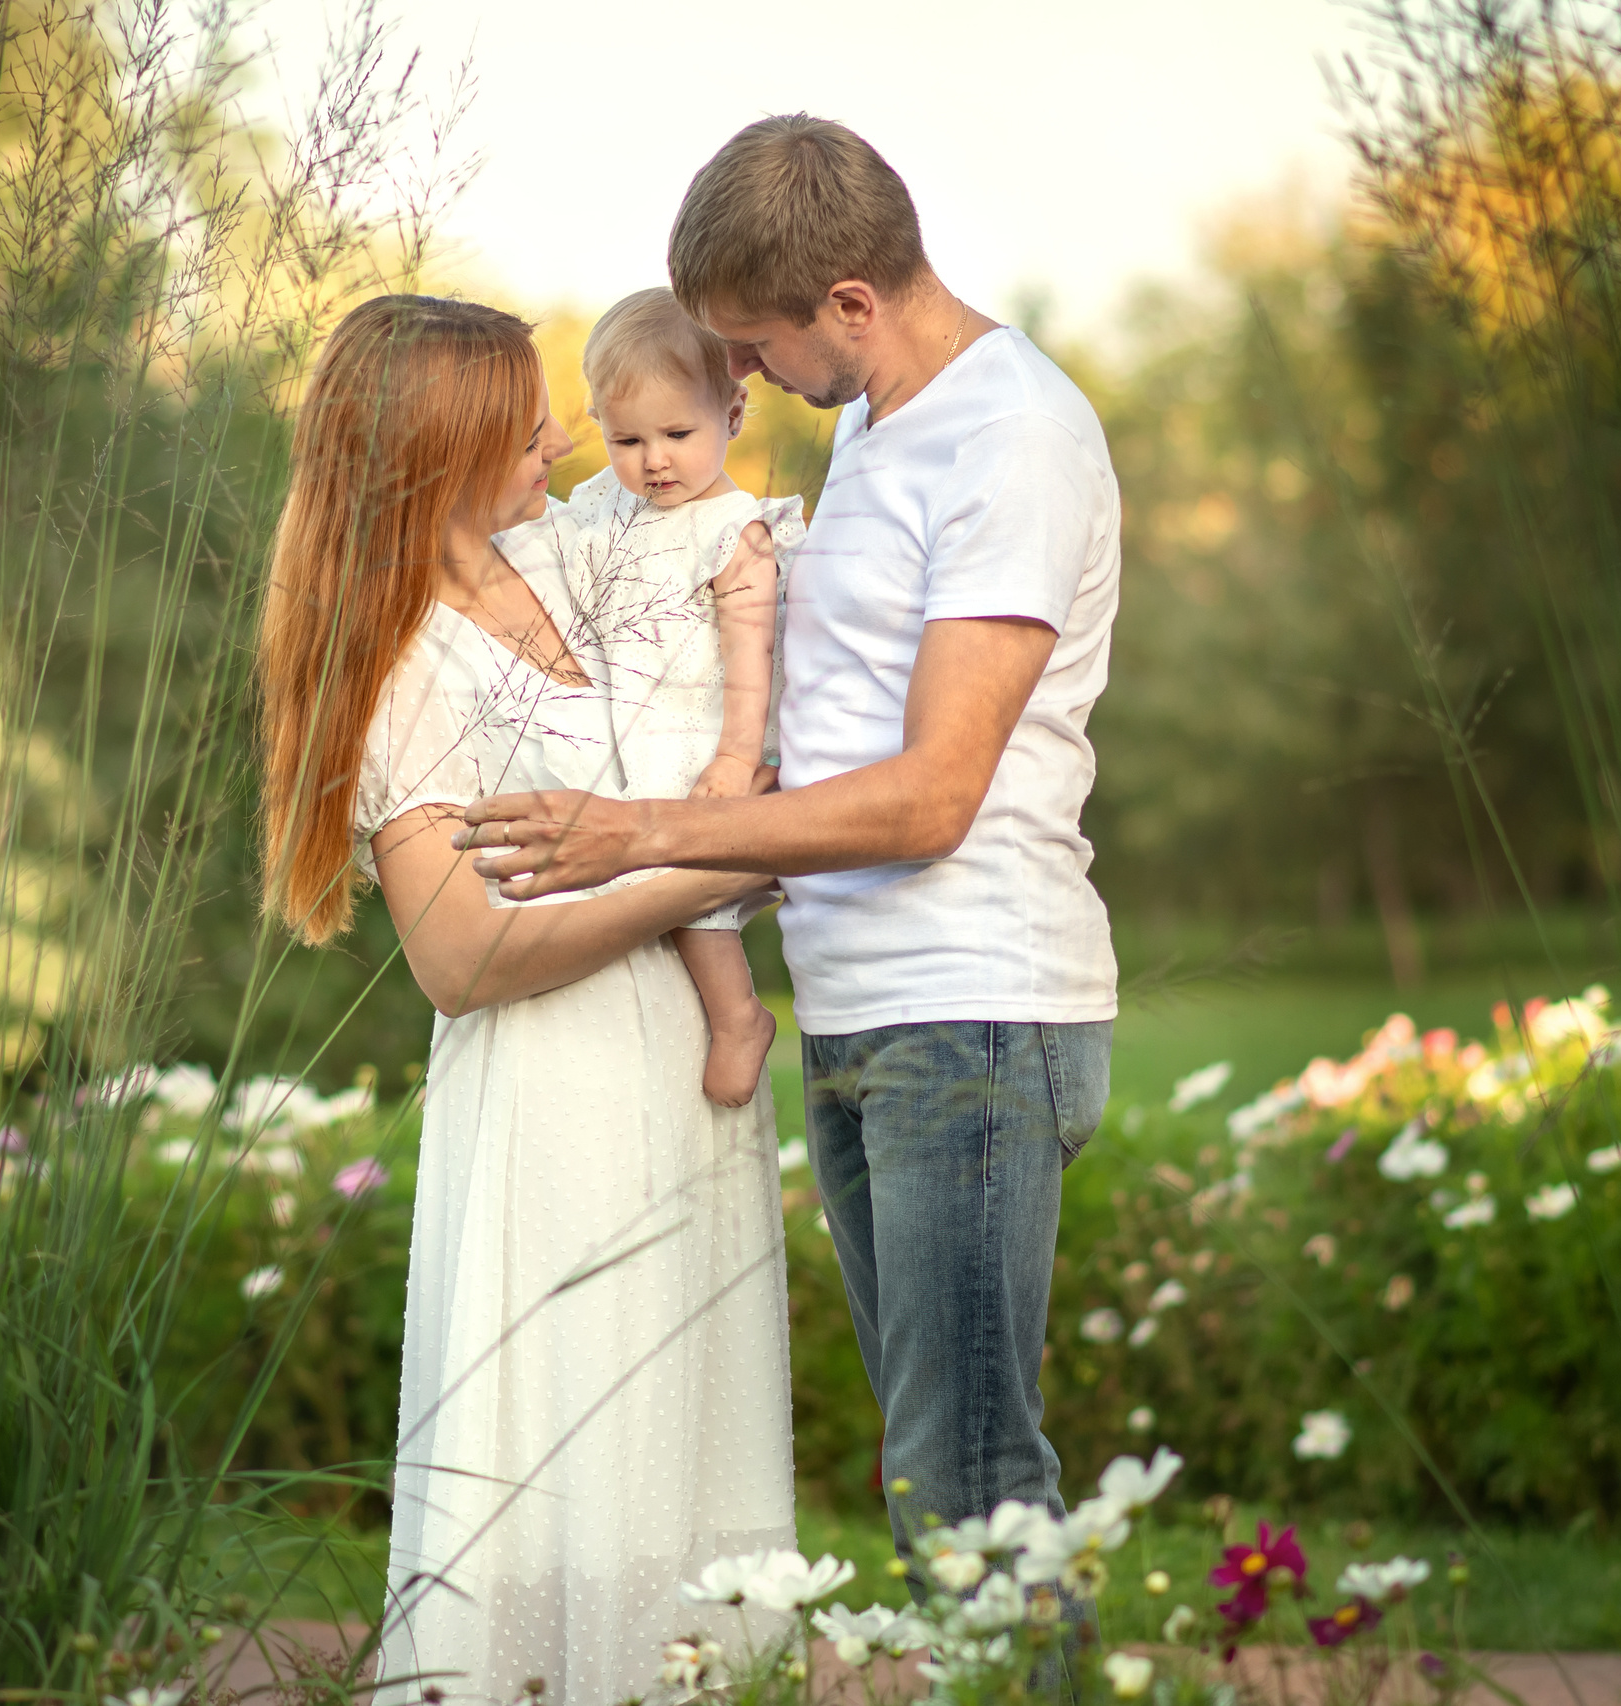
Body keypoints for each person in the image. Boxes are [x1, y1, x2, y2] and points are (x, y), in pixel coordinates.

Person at [456, 117, 1123, 1573]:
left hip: (976, 1006)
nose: (742, 379)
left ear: (853, 304)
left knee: (973, 1472)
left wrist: (642, 832)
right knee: (933, 1464)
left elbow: (932, 795)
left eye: (757, 345)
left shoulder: (1009, 438)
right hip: (867, 1000)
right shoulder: (881, 421)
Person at [257, 294, 795, 1705]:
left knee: (690, 1450)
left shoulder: (563, 556)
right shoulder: (401, 666)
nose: (559, 433)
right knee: (577, 1453)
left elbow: (714, 586)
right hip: (556, 1091)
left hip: (682, 1063)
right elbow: (463, 958)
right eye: (521, 417)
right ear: (441, 446)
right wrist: (706, 864)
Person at [493, 287, 807, 1108]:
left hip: (695, 728)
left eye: (678, 434)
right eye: (626, 438)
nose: (653, 461)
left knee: (674, 860)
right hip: (613, 720)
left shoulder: (736, 529)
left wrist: (738, 756)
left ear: (734, 413)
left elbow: (752, 655)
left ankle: (738, 1013)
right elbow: (542, 552)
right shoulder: (603, 502)